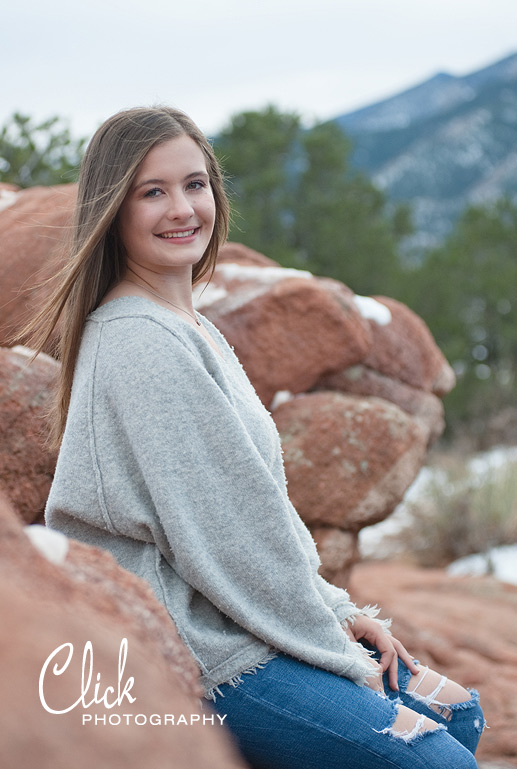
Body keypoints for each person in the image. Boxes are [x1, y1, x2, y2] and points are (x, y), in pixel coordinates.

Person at [27, 106, 483, 768]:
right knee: (436, 759)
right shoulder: (140, 340)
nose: (182, 208)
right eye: (151, 192)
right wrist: (329, 634)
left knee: (456, 711)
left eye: (194, 183)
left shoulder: (186, 325)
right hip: (198, 648)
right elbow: (224, 537)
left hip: (237, 616)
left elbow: (253, 514)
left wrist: (334, 606)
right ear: (112, 210)